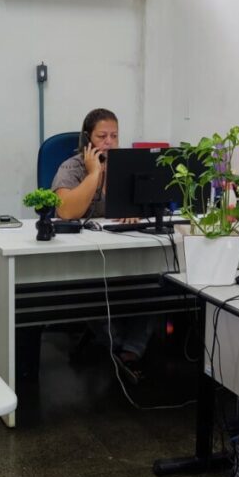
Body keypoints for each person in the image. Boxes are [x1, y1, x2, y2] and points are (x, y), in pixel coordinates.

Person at [51, 108, 154, 382]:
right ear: (87, 139)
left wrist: (135, 211)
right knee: (91, 291)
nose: (109, 142)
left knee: (157, 282)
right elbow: (67, 211)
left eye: (114, 136)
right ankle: (118, 345)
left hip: (124, 250)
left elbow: (149, 204)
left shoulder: (126, 166)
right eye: (102, 136)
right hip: (83, 257)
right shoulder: (71, 168)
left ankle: (130, 350)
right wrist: (94, 172)